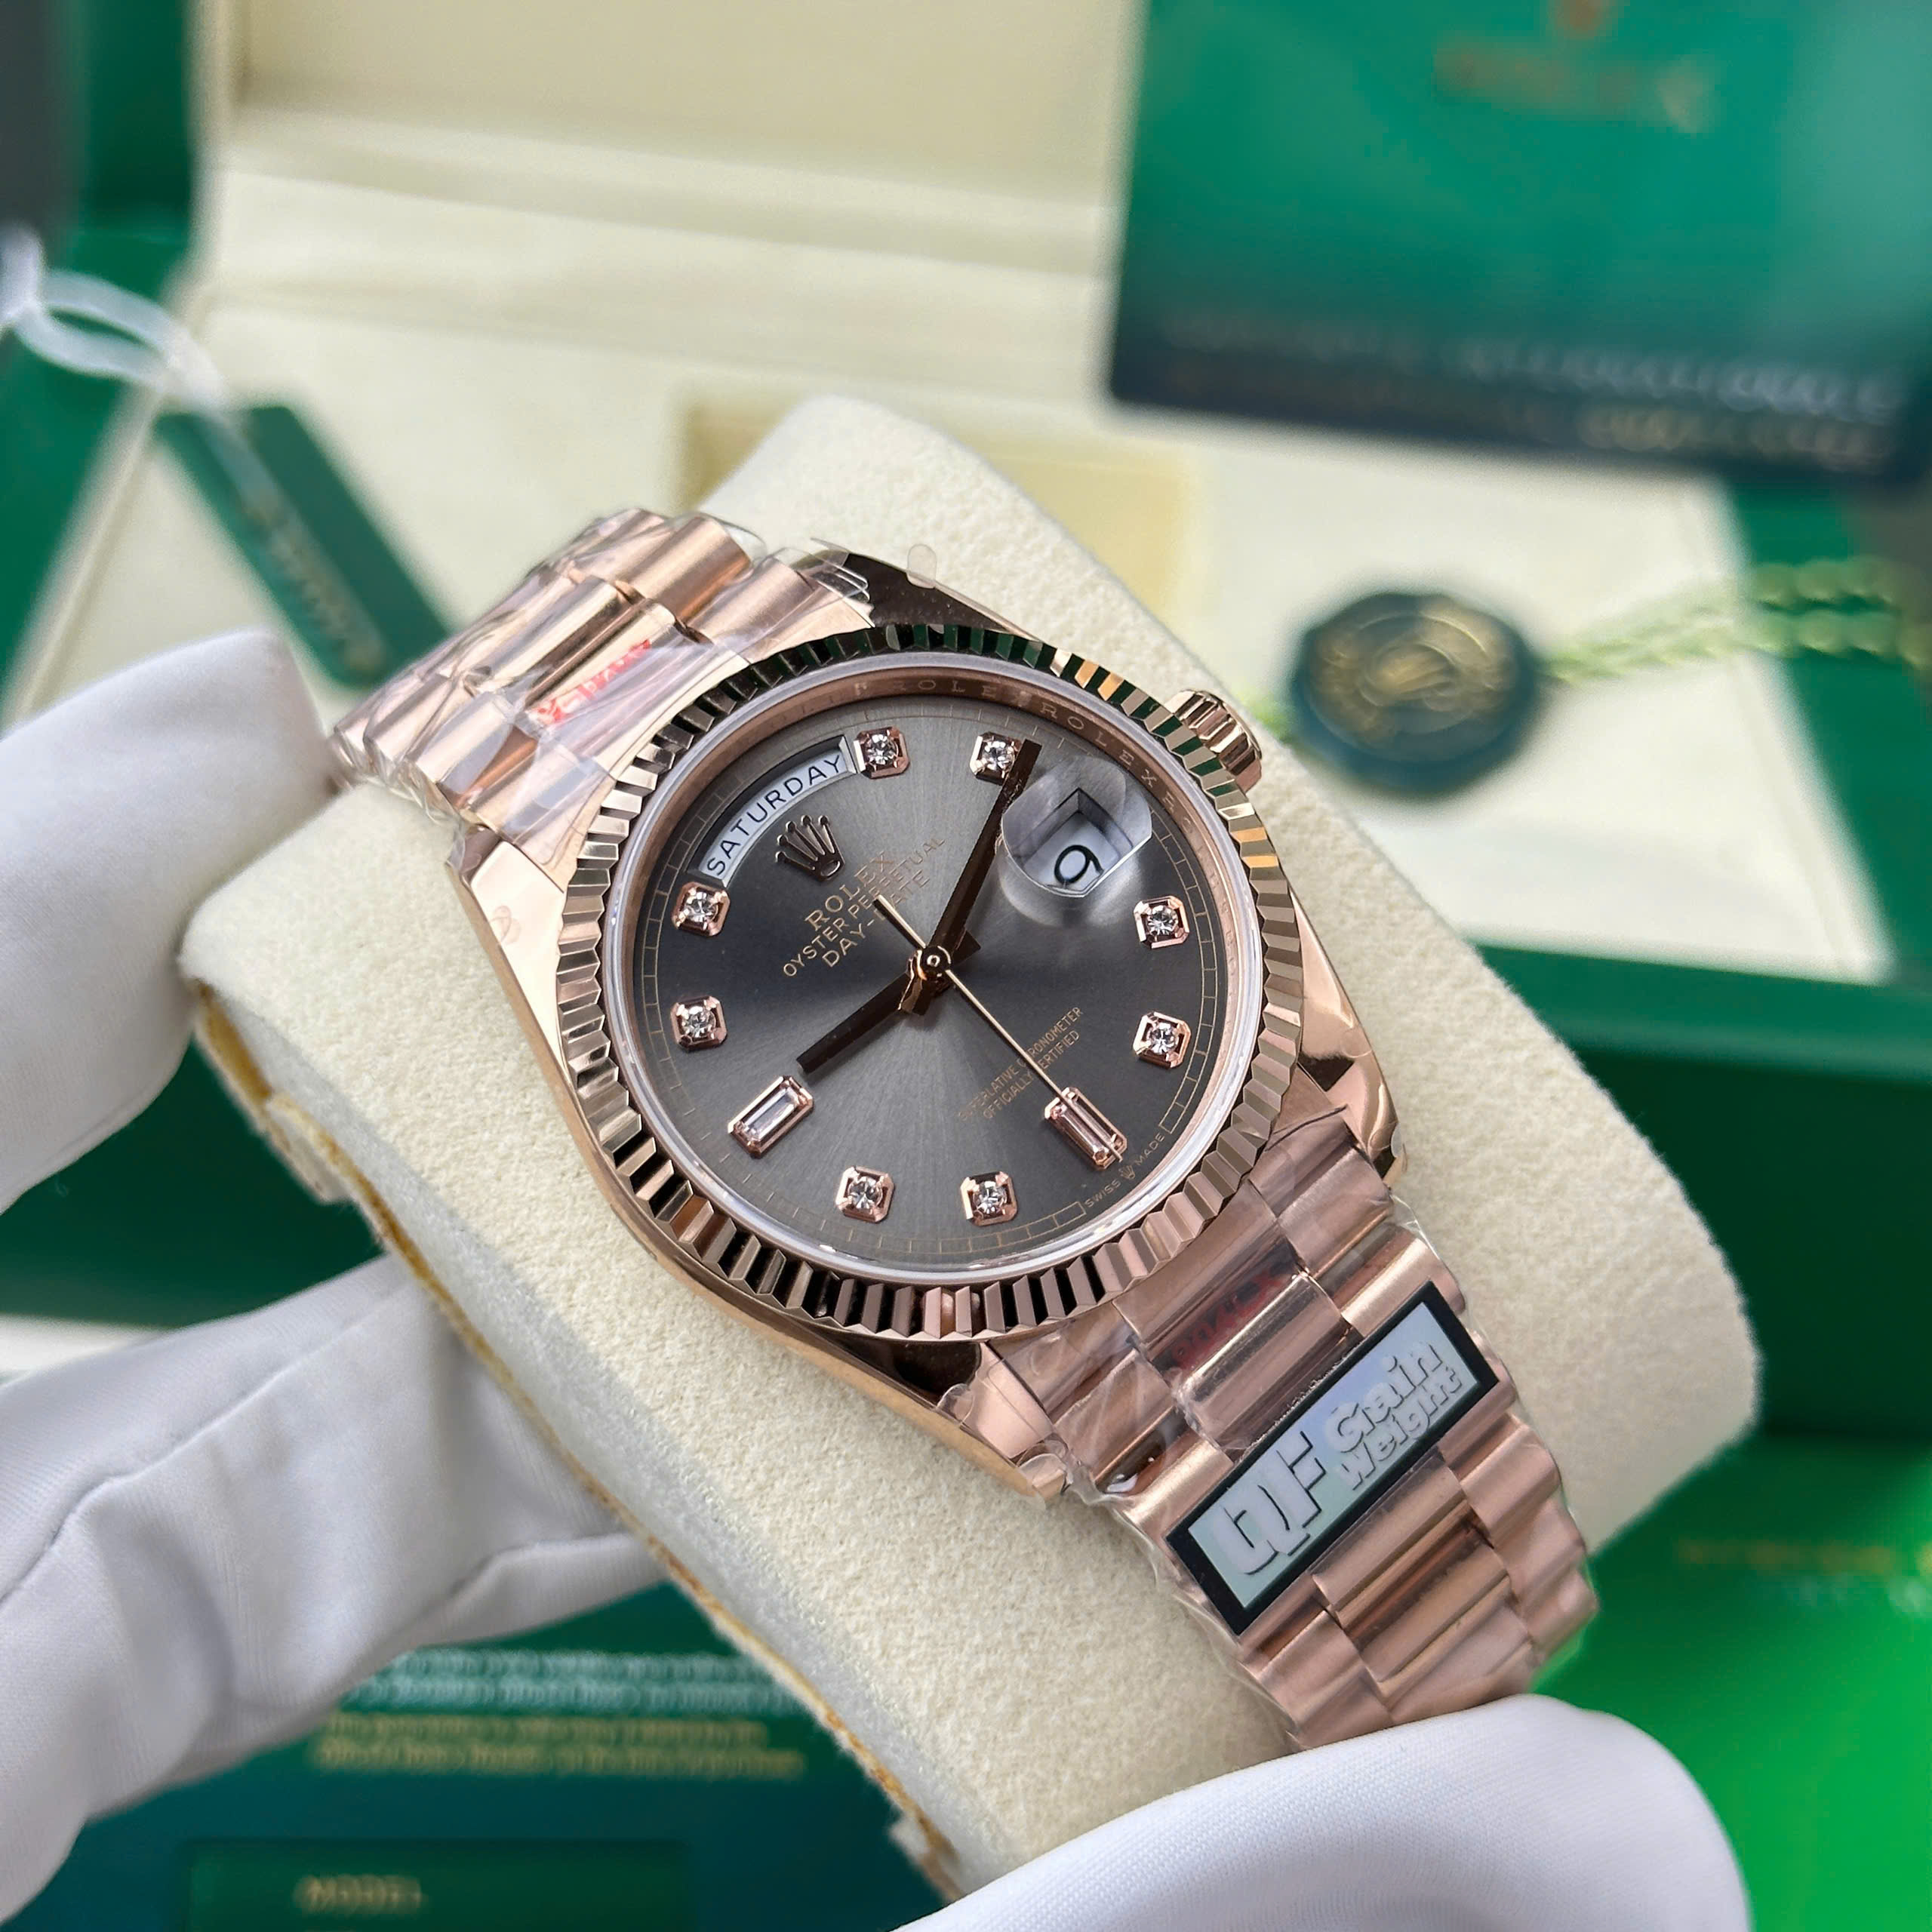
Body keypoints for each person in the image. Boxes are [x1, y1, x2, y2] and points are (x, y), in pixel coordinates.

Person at [0, 631, 1748, 1929]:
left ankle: (1447, 1595)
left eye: (929, 953)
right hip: (1070, 1355)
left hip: (1252, 1145)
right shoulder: (598, 979)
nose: (921, 976)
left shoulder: (898, 688)